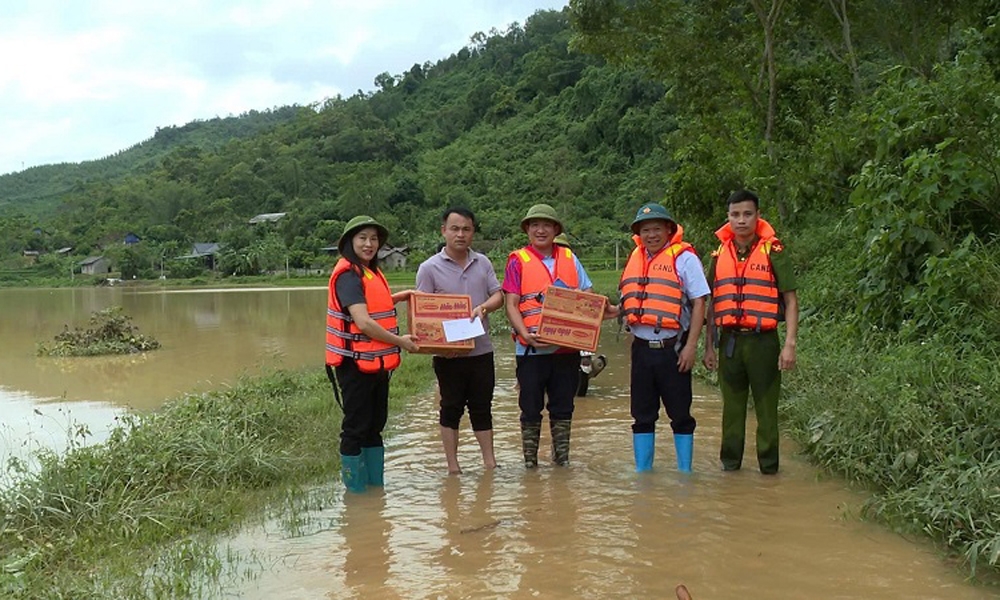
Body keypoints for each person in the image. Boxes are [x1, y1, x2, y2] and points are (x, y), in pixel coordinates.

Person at [503, 203, 617, 468]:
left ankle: (561, 462)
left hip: (566, 350)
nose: (540, 230)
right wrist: (524, 334)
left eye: (546, 225)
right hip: (530, 350)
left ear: (556, 230)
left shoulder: (570, 259)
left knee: (563, 408)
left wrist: (609, 309)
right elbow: (511, 303)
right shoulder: (517, 260)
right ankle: (530, 465)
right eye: (534, 225)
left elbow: (587, 296)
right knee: (530, 410)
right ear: (527, 230)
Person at [703, 190, 799, 474]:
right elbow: (711, 301)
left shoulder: (774, 251)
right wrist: (709, 346)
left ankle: (769, 469)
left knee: (767, 410)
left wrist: (790, 344)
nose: (741, 220)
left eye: (747, 214)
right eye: (735, 215)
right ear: (728, 218)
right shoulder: (719, 252)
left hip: (763, 343)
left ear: (757, 216)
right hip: (730, 342)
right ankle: (730, 467)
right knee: (731, 411)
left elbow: (791, 300)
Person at [325, 215, 419, 493]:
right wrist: (401, 342)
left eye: (374, 239)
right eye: (362, 238)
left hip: (375, 363)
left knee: (375, 426)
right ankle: (355, 492)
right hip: (354, 363)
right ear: (349, 242)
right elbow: (363, 322)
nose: (369, 244)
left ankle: (374, 493)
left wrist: (396, 298)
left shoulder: (369, 272)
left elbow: (369, 307)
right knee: (356, 427)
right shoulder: (348, 275)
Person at [619, 203, 710, 473]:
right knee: (642, 415)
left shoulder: (685, 258)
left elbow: (699, 303)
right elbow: (625, 305)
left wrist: (691, 346)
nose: (651, 235)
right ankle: (642, 475)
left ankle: (685, 473)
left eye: (657, 229)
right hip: (642, 350)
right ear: (639, 234)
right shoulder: (636, 258)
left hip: (674, 349)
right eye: (645, 230)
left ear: (669, 230)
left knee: (680, 414)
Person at [416, 207, 504, 475]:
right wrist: (441, 345)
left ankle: (490, 463)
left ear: (473, 232)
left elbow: (497, 295)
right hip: (448, 356)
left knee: (482, 407)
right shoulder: (429, 268)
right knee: (450, 408)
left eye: (466, 229)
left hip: (481, 350)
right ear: (443, 231)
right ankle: (453, 467)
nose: (460, 234)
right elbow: (422, 313)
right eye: (454, 228)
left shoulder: (483, 263)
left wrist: (484, 308)